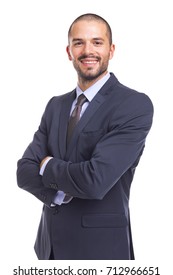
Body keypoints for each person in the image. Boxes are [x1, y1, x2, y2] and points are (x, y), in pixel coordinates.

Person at [17, 13, 153, 260]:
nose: (87, 50)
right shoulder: (55, 105)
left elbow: (95, 180)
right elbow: (24, 171)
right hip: (49, 250)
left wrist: (46, 165)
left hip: (100, 251)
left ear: (111, 50)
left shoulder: (133, 105)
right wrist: (57, 193)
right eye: (79, 42)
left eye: (97, 42)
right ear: (69, 51)